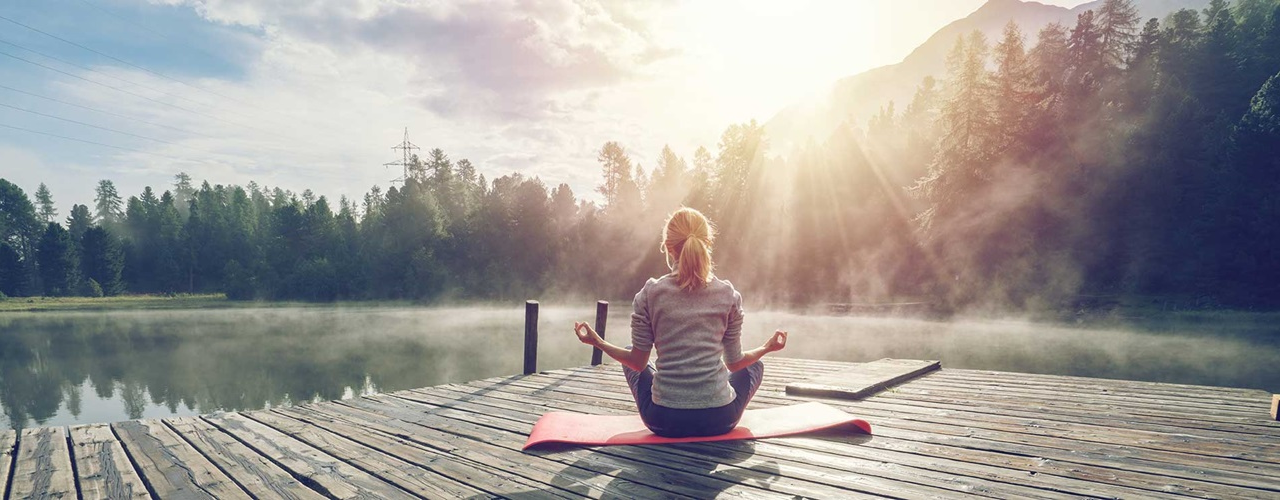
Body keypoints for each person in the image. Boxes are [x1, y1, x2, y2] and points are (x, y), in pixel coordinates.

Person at [572, 207, 788, 437]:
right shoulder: (728, 294)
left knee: (633, 356)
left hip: (663, 420)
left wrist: (598, 342)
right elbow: (735, 363)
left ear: (668, 248)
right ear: (708, 245)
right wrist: (767, 348)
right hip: (721, 419)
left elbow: (636, 362)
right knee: (753, 366)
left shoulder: (650, 294)